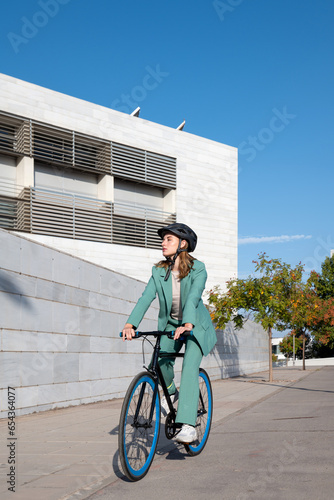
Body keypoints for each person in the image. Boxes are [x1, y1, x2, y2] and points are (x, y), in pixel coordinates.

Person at [122, 223, 217, 443]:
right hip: (171, 325)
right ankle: (171, 392)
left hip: (195, 325)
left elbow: (193, 297)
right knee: (161, 361)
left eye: (168, 240)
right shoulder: (158, 270)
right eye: (163, 239)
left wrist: (188, 323)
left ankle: (188, 425)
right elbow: (147, 297)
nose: (163, 243)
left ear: (183, 244)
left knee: (190, 367)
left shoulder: (198, 268)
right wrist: (131, 324)